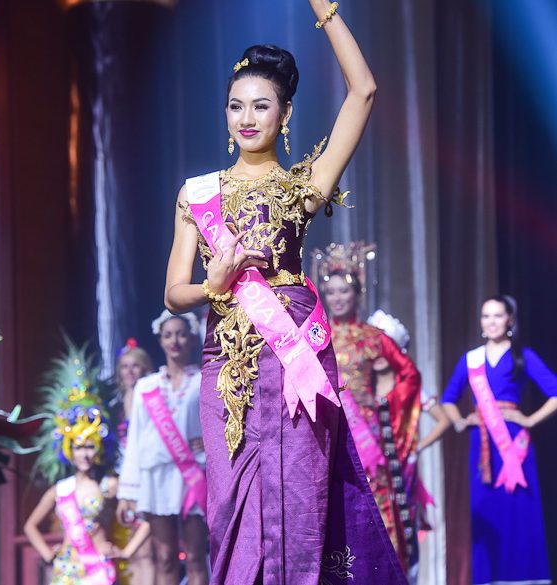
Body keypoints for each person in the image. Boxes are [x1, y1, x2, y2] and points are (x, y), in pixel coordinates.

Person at [164, 2, 407, 584]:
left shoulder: (304, 186)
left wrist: (326, 12)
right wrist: (213, 285)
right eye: (235, 105)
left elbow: (364, 92)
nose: (246, 118)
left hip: (294, 351)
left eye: (261, 105)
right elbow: (173, 293)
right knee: (230, 502)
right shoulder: (197, 193)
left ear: (286, 112)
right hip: (226, 359)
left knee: (302, 497)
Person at [423, 295, 557, 585]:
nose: (491, 322)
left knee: (519, 509)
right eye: (486, 316)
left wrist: (530, 420)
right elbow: (449, 399)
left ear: (509, 320)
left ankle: (527, 578)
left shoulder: (522, 355)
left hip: (514, 446)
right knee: (487, 510)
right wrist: (460, 421)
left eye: (498, 315)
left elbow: (555, 392)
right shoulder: (471, 360)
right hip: (482, 445)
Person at [318, 256, 423, 576]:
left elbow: (410, 376)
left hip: (366, 436)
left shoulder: (373, 337)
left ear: (357, 294)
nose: (337, 298)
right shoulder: (317, 335)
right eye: (331, 292)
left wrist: (382, 400)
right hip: (329, 432)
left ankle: (383, 574)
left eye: (344, 291)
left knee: (376, 502)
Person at [24, 342, 149, 585]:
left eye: (90, 447)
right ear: (69, 451)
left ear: (100, 449)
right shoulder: (60, 490)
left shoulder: (110, 485)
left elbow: (145, 521)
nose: (85, 454)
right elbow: (30, 526)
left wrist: (126, 552)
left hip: (98, 569)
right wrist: (47, 554)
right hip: (66, 571)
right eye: (79, 447)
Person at [117, 310, 208, 585]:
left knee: (196, 556)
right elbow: (135, 439)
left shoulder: (204, 380)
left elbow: (220, 424)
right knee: (165, 556)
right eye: (168, 335)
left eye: (181, 334)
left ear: (192, 338)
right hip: (156, 476)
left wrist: (208, 442)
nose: (174, 341)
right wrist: (127, 492)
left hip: (194, 475)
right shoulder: (147, 387)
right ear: (160, 340)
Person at [113, 339, 155, 584]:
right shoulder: (115, 404)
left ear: (145, 368)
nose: (129, 371)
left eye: (135, 366)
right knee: (132, 547)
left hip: (146, 475)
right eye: (124, 366)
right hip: (123, 478)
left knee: (148, 549)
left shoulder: (152, 397)